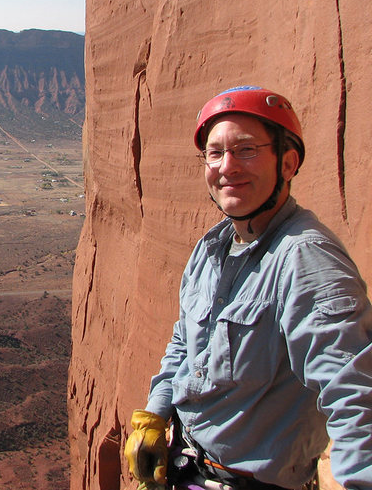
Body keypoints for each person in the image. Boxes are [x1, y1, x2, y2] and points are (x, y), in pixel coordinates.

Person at [123, 86, 372, 490]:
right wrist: (157, 412)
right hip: (186, 465)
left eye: (247, 150)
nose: (227, 167)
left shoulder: (306, 260)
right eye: (215, 153)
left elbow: (355, 393)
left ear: (288, 164)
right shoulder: (213, 247)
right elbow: (185, 342)